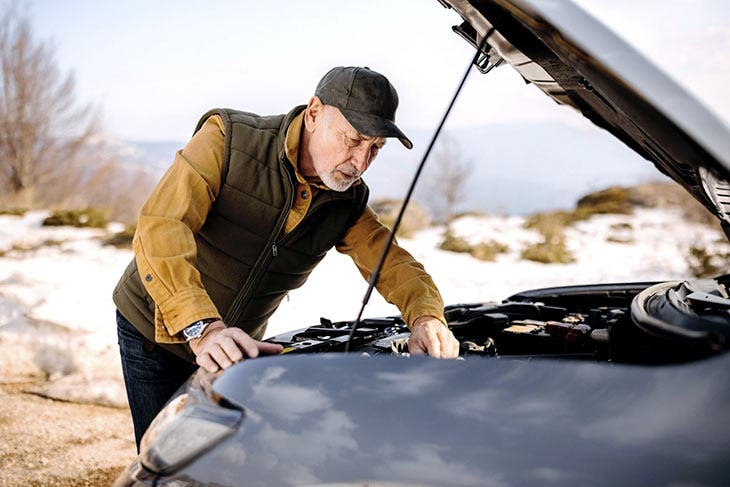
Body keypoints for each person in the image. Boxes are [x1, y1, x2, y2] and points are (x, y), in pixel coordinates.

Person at [113, 66, 459, 448]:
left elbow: (391, 262)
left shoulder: (346, 200)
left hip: (234, 348)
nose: (360, 163)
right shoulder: (228, 140)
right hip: (154, 331)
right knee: (166, 457)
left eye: (375, 149)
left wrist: (427, 316)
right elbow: (162, 227)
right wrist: (203, 329)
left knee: (221, 458)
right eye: (353, 140)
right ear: (314, 113)